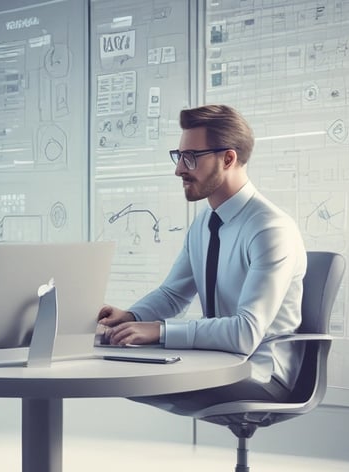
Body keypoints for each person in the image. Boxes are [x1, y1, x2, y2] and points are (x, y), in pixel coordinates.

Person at [98, 104, 307, 412]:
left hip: (262, 375)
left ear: (228, 158)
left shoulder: (270, 229)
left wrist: (160, 331)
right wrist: (131, 318)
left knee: (130, 377)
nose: (179, 169)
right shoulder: (204, 222)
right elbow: (172, 294)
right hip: (215, 361)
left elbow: (245, 333)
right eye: (179, 156)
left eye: (191, 157)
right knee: (117, 367)